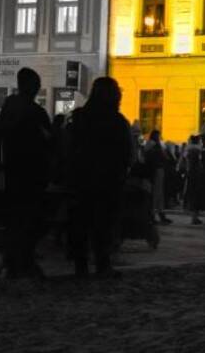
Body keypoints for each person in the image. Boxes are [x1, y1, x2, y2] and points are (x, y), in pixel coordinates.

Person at [67, 77, 133, 278]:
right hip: (108, 181)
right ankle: (103, 264)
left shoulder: (79, 118)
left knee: (82, 223)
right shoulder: (117, 122)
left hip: (82, 179)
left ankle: (81, 266)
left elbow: (69, 148)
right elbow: (126, 154)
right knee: (104, 224)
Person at [0, 68, 52, 279]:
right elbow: (48, 141)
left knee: (17, 217)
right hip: (31, 171)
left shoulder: (9, 108)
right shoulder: (34, 112)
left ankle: (16, 258)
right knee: (35, 217)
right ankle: (23, 258)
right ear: (32, 87)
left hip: (13, 169)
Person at [144, 130, 172, 225]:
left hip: (159, 169)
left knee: (159, 194)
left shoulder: (155, 144)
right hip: (155, 170)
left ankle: (159, 214)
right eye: (158, 135)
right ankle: (153, 215)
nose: (159, 137)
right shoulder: (152, 144)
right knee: (156, 193)